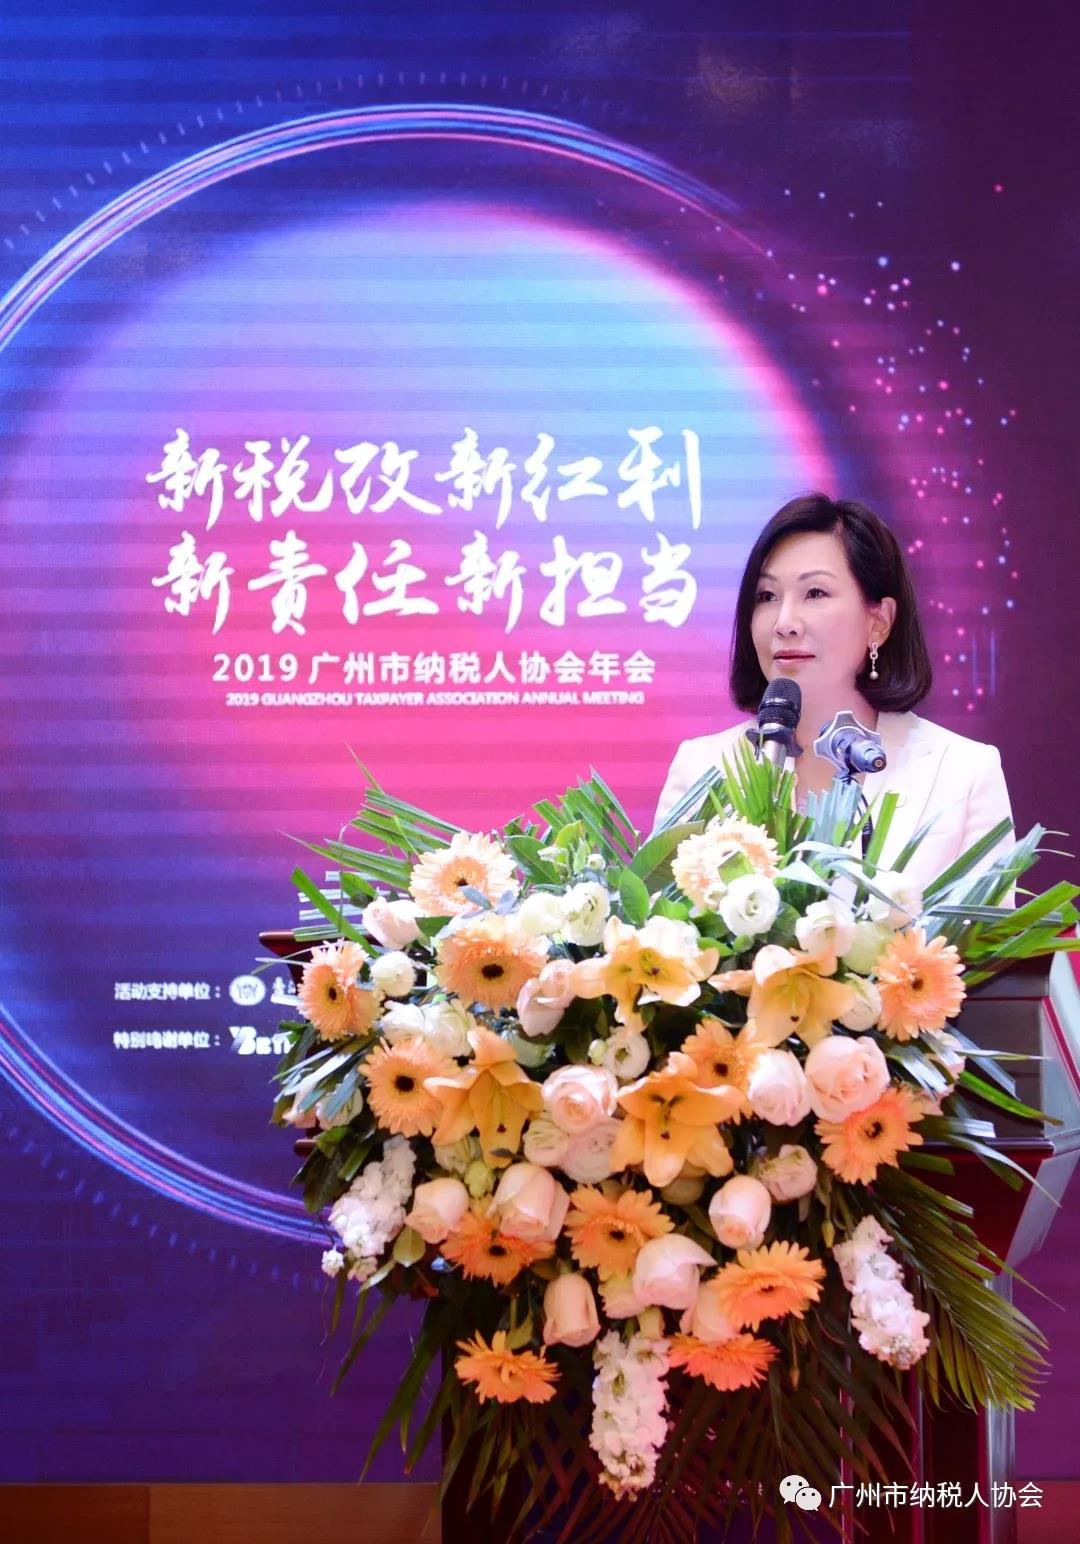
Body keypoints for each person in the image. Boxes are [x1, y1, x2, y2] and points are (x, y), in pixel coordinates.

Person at [653, 493, 1014, 893]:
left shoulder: (962, 772)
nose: (785, 622)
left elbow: (989, 933)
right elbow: (662, 922)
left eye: (815, 593)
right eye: (767, 597)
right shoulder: (704, 767)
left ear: (879, 621)